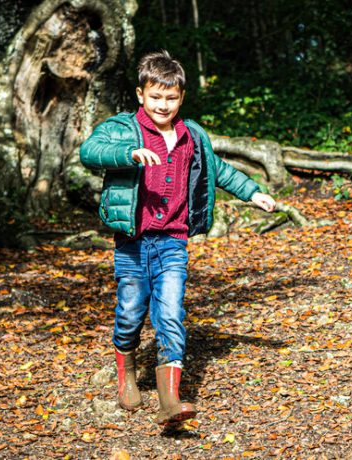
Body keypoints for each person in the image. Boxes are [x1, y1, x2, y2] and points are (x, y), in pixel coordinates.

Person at [79, 50, 276, 426]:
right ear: (141, 95)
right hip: (132, 243)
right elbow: (90, 152)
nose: (162, 105)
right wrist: (128, 154)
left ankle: (170, 400)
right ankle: (126, 375)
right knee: (130, 314)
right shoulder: (122, 128)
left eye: (171, 98)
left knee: (170, 313)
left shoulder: (190, 136)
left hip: (173, 241)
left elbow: (219, 170)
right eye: (155, 97)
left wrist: (252, 192)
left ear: (181, 98)